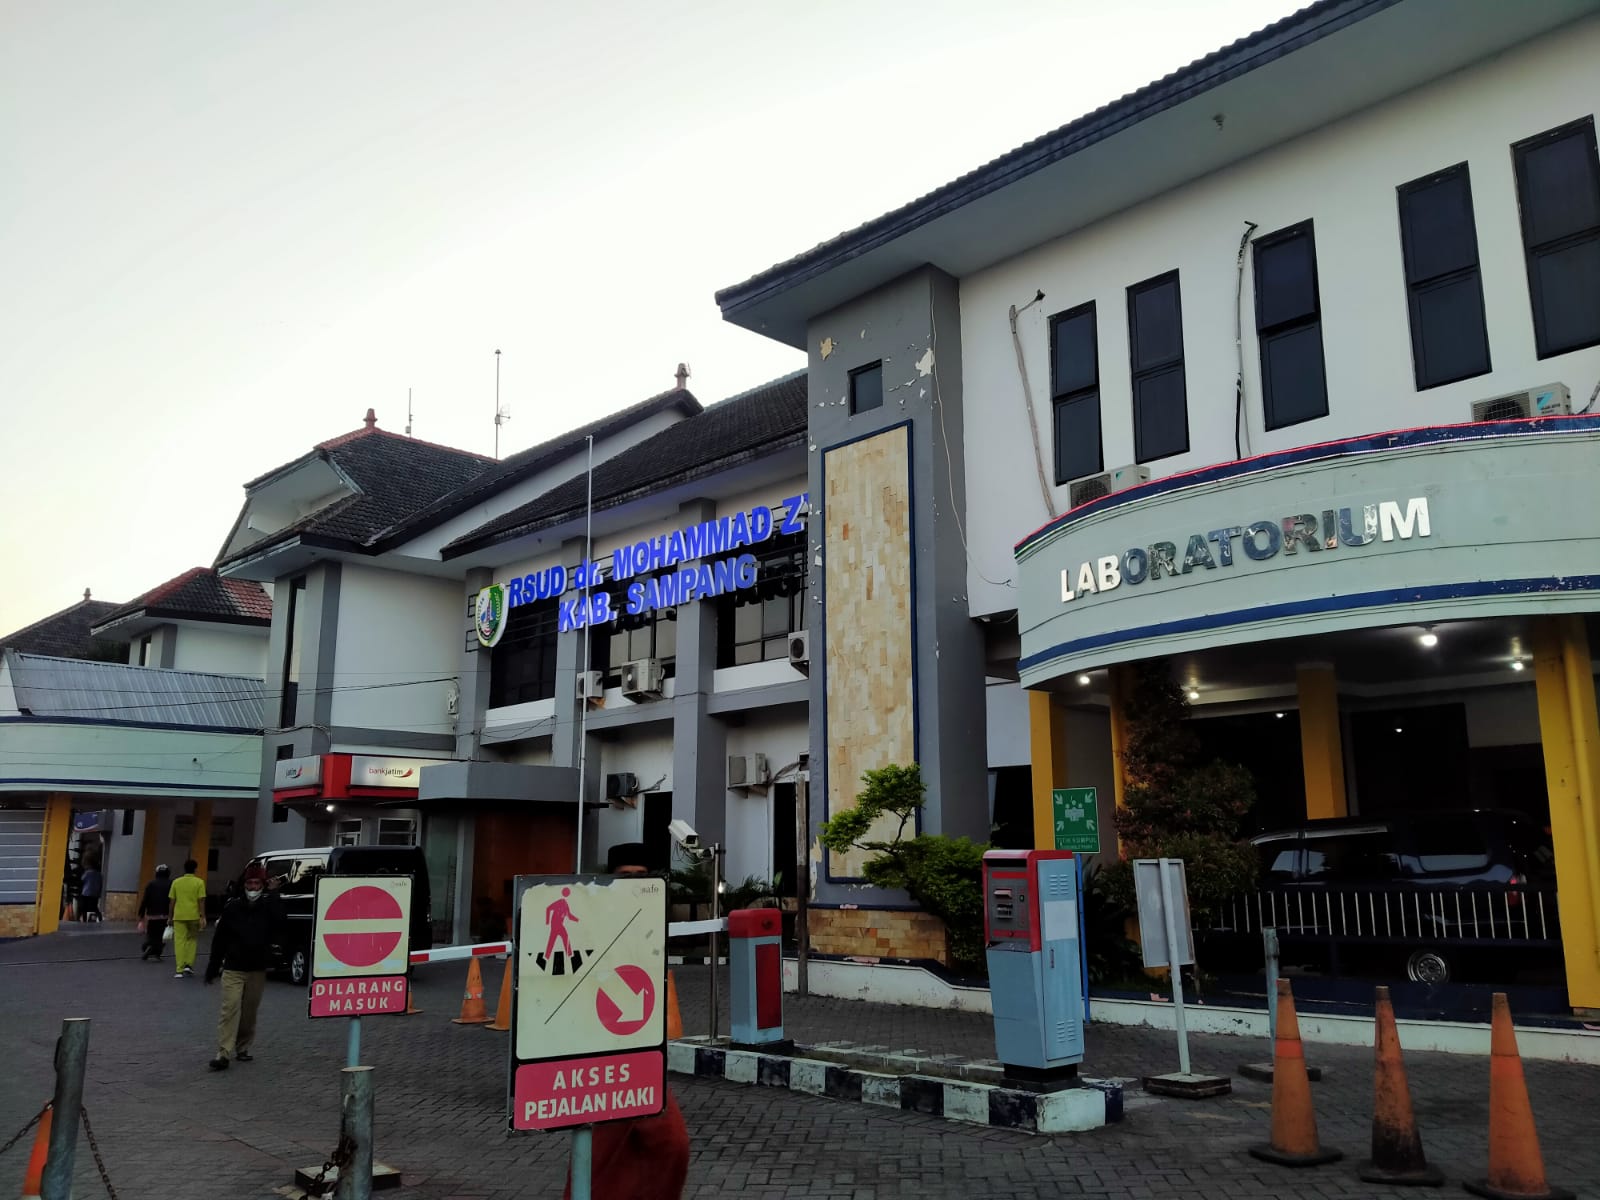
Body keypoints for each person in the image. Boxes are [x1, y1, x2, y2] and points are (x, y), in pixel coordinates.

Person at [561, 841, 689, 1200]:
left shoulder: (650, 919)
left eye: (641, 876)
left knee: (671, 1144)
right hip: (596, 1058)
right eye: (625, 875)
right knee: (597, 1161)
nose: (634, 881)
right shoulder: (591, 919)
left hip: (640, 1056)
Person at [204, 863, 283, 1070]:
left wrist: (274, 895)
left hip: (257, 969)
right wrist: (213, 967)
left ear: (263, 885)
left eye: (257, 883)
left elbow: (280, 923)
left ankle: (243, 1046)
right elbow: (219, 940)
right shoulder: (232, 907)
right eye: (250, 883)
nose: (253, 887)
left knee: (249, 1013)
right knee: (229, 1009)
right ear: (244, 884)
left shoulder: (268, 905)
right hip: (233, 968)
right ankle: (223, 1053)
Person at [168, 859, 207, 978]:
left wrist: (170, 916)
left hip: (179, 916)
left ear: (184, 869)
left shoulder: (176, 882)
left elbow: (172, 901)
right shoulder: (199, 882)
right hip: (194, 916)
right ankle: (188, 965)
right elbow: (201, 901)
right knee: (192, 940)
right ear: (195, 869)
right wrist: (202, 916)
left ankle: (179, 969)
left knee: (179, 942)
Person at [138, 864, 172, 960]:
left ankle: (149, 945)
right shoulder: (172, 884)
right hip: (166, 915)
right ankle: (156, 951)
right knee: (162, 935)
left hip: (152, 915)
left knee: (151, 933)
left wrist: (141, 915)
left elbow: (145, 900)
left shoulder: (151, 884)